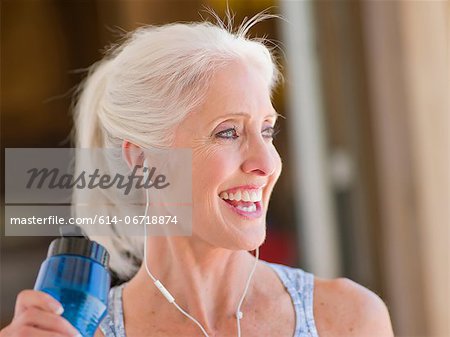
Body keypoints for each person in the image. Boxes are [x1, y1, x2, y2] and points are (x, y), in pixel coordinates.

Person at [0, 12, 394, 337]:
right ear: (141, 160)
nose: (267, 162)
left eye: (268, 130)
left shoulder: (347, 319)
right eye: (228, 132)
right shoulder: (81, 332)